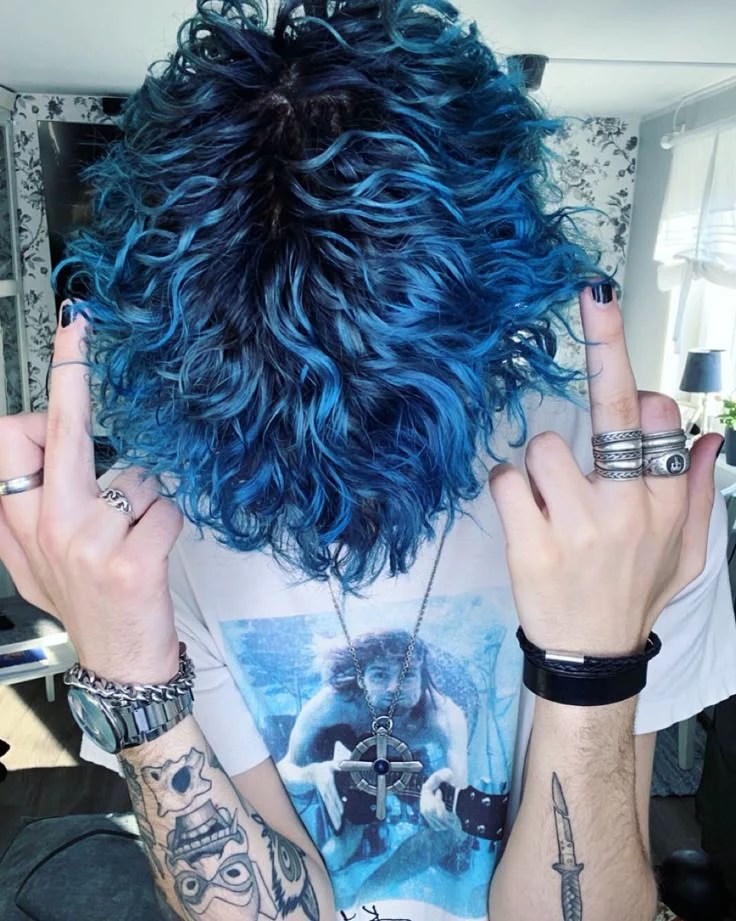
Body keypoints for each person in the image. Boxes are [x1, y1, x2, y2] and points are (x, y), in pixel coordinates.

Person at [0, 2, 735, 921]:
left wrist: (594, 668)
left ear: (494, 316)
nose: (339, 484)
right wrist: (132, 681)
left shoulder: (625, 511)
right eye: (275, 411)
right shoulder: (148, 538)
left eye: (397, 406)